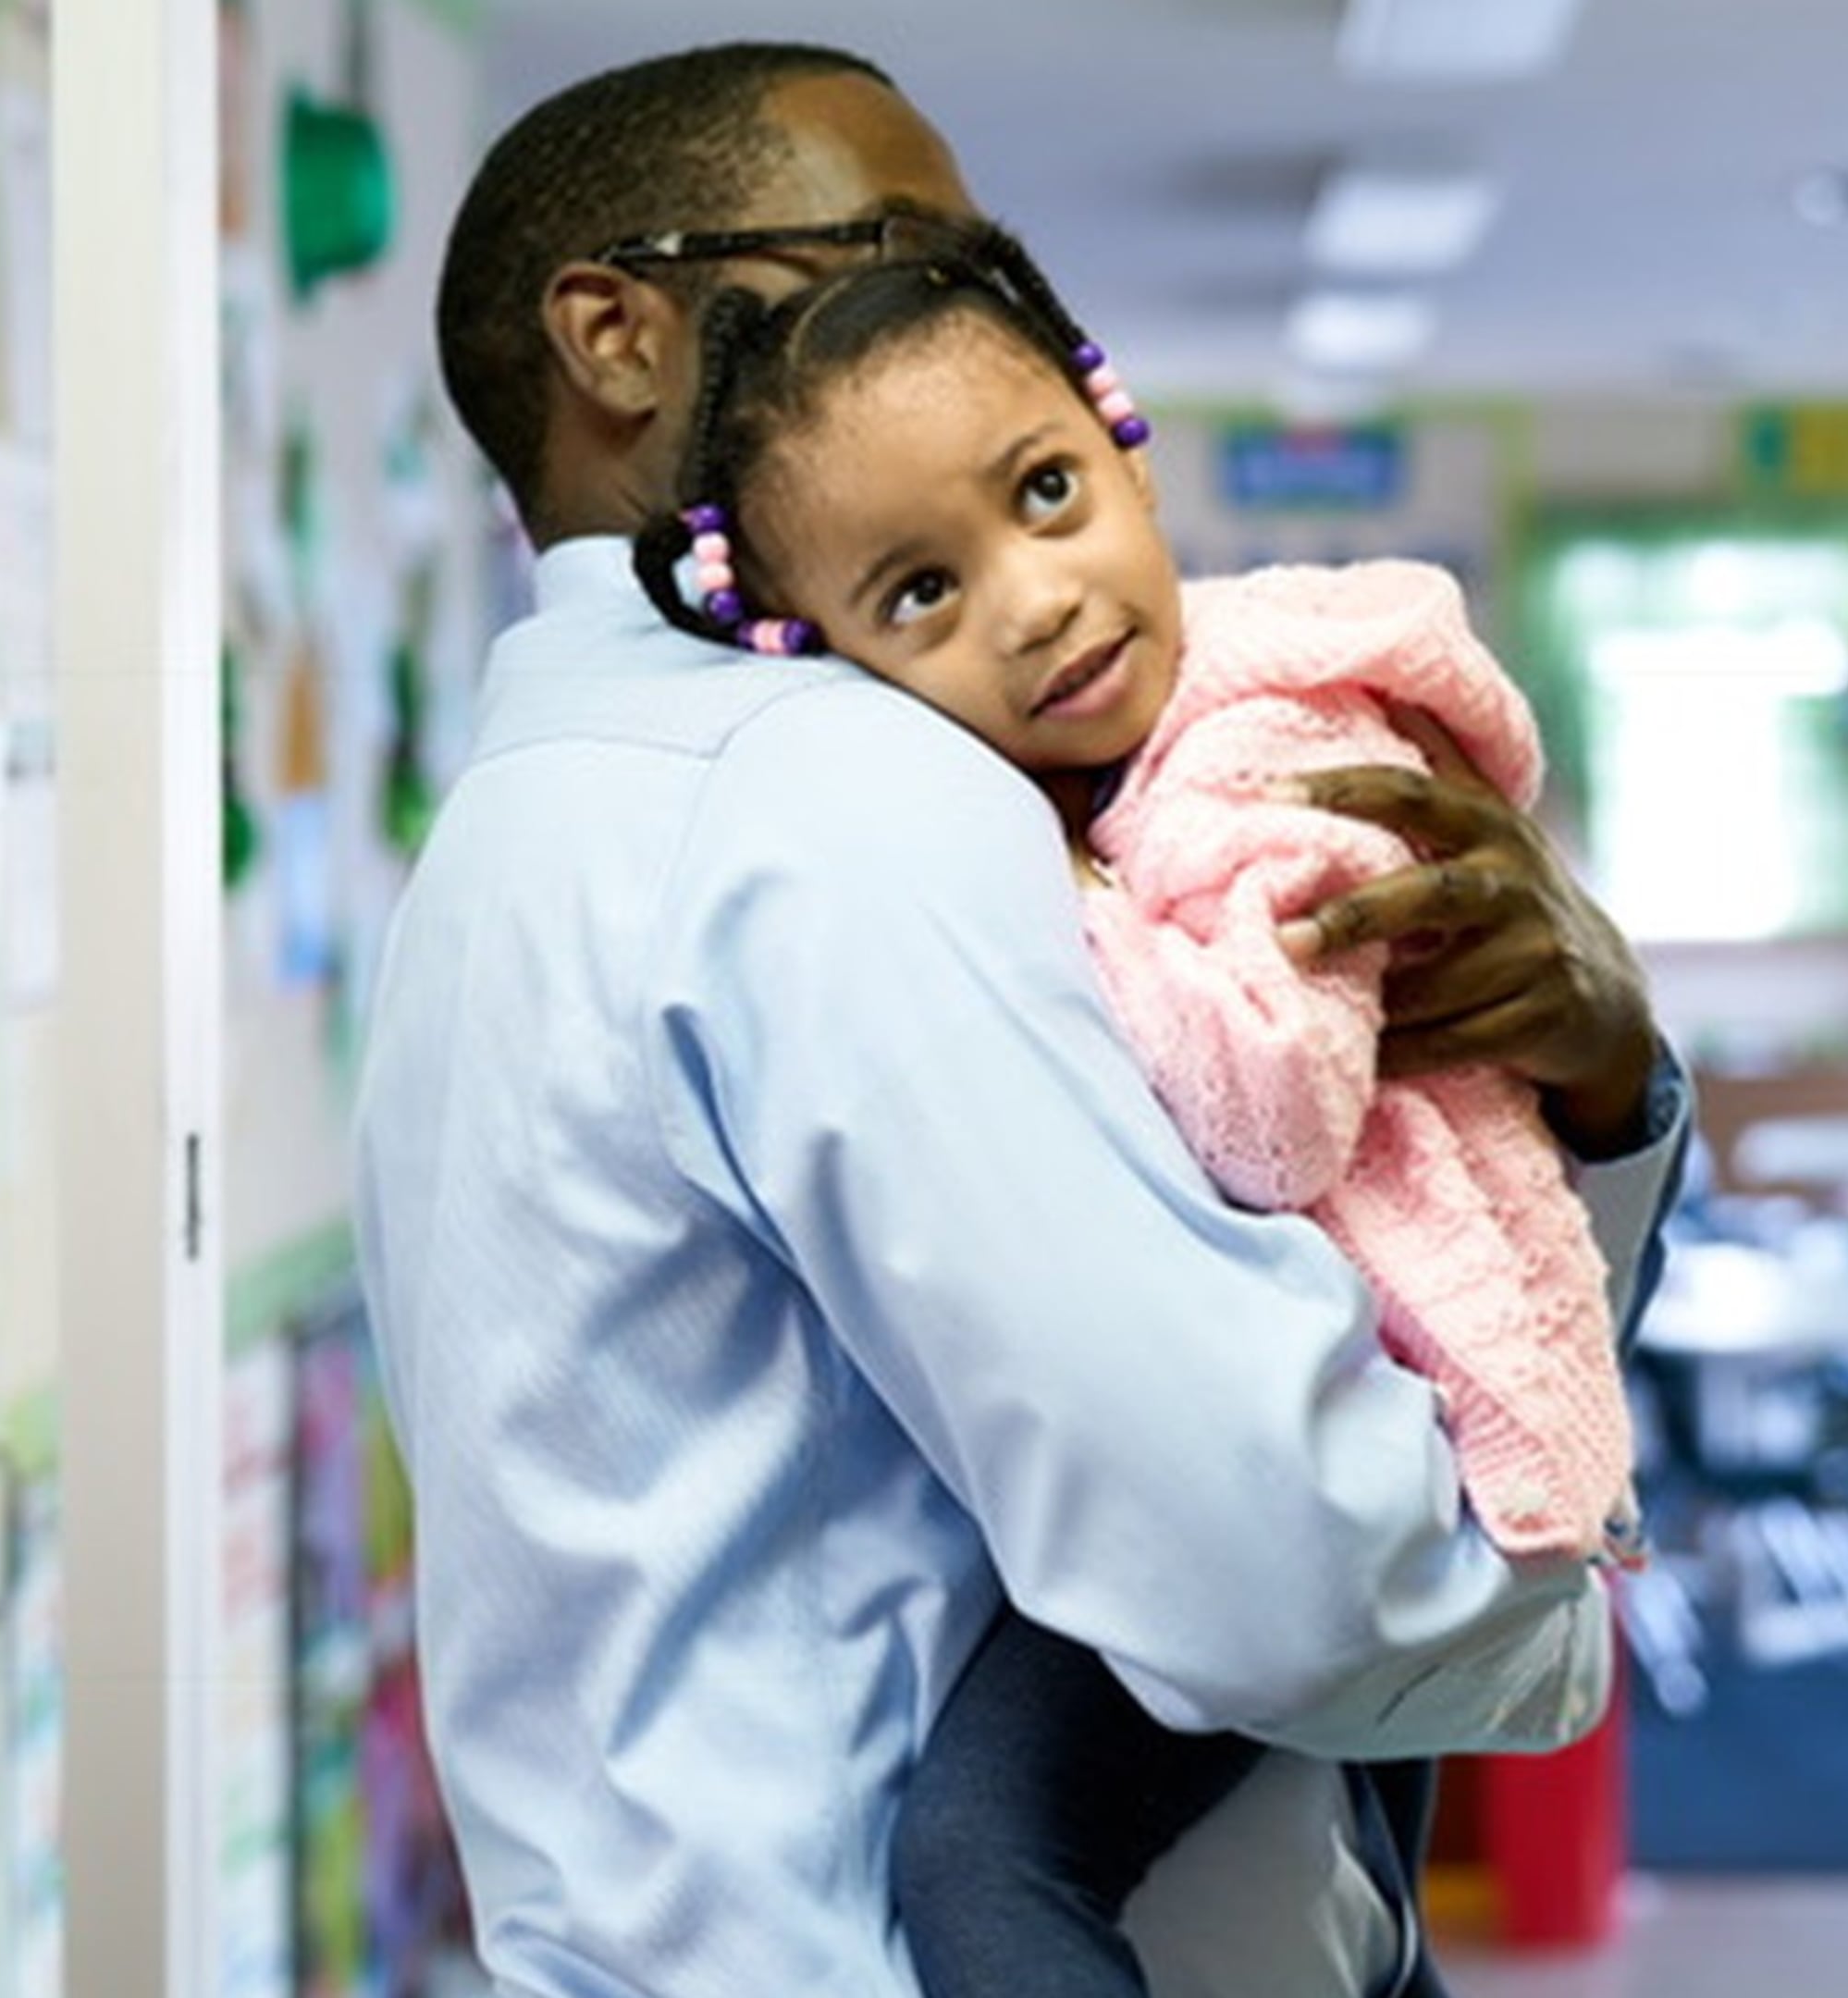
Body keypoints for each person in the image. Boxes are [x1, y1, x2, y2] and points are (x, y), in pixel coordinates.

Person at [359, 42, 1689, 1998]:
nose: (948, 310)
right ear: (617, 337)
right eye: (895, 246)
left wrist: (1588, 1085)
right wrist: (1538, 1582)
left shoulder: (522, 819)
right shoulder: (833, 793)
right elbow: (1290, 1566)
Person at [622, 236, 1650, 1998]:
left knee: (988, 1859)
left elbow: (1274, 1115)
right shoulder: (1118, 768)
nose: (1033, 601)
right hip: (1372, 1400)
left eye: (1044, 494)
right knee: (1348, 1868)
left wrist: (1075, 908)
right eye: (921, 593)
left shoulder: (1258, 753)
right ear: (828, 667)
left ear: (1124, 444)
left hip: (1380, 1417)